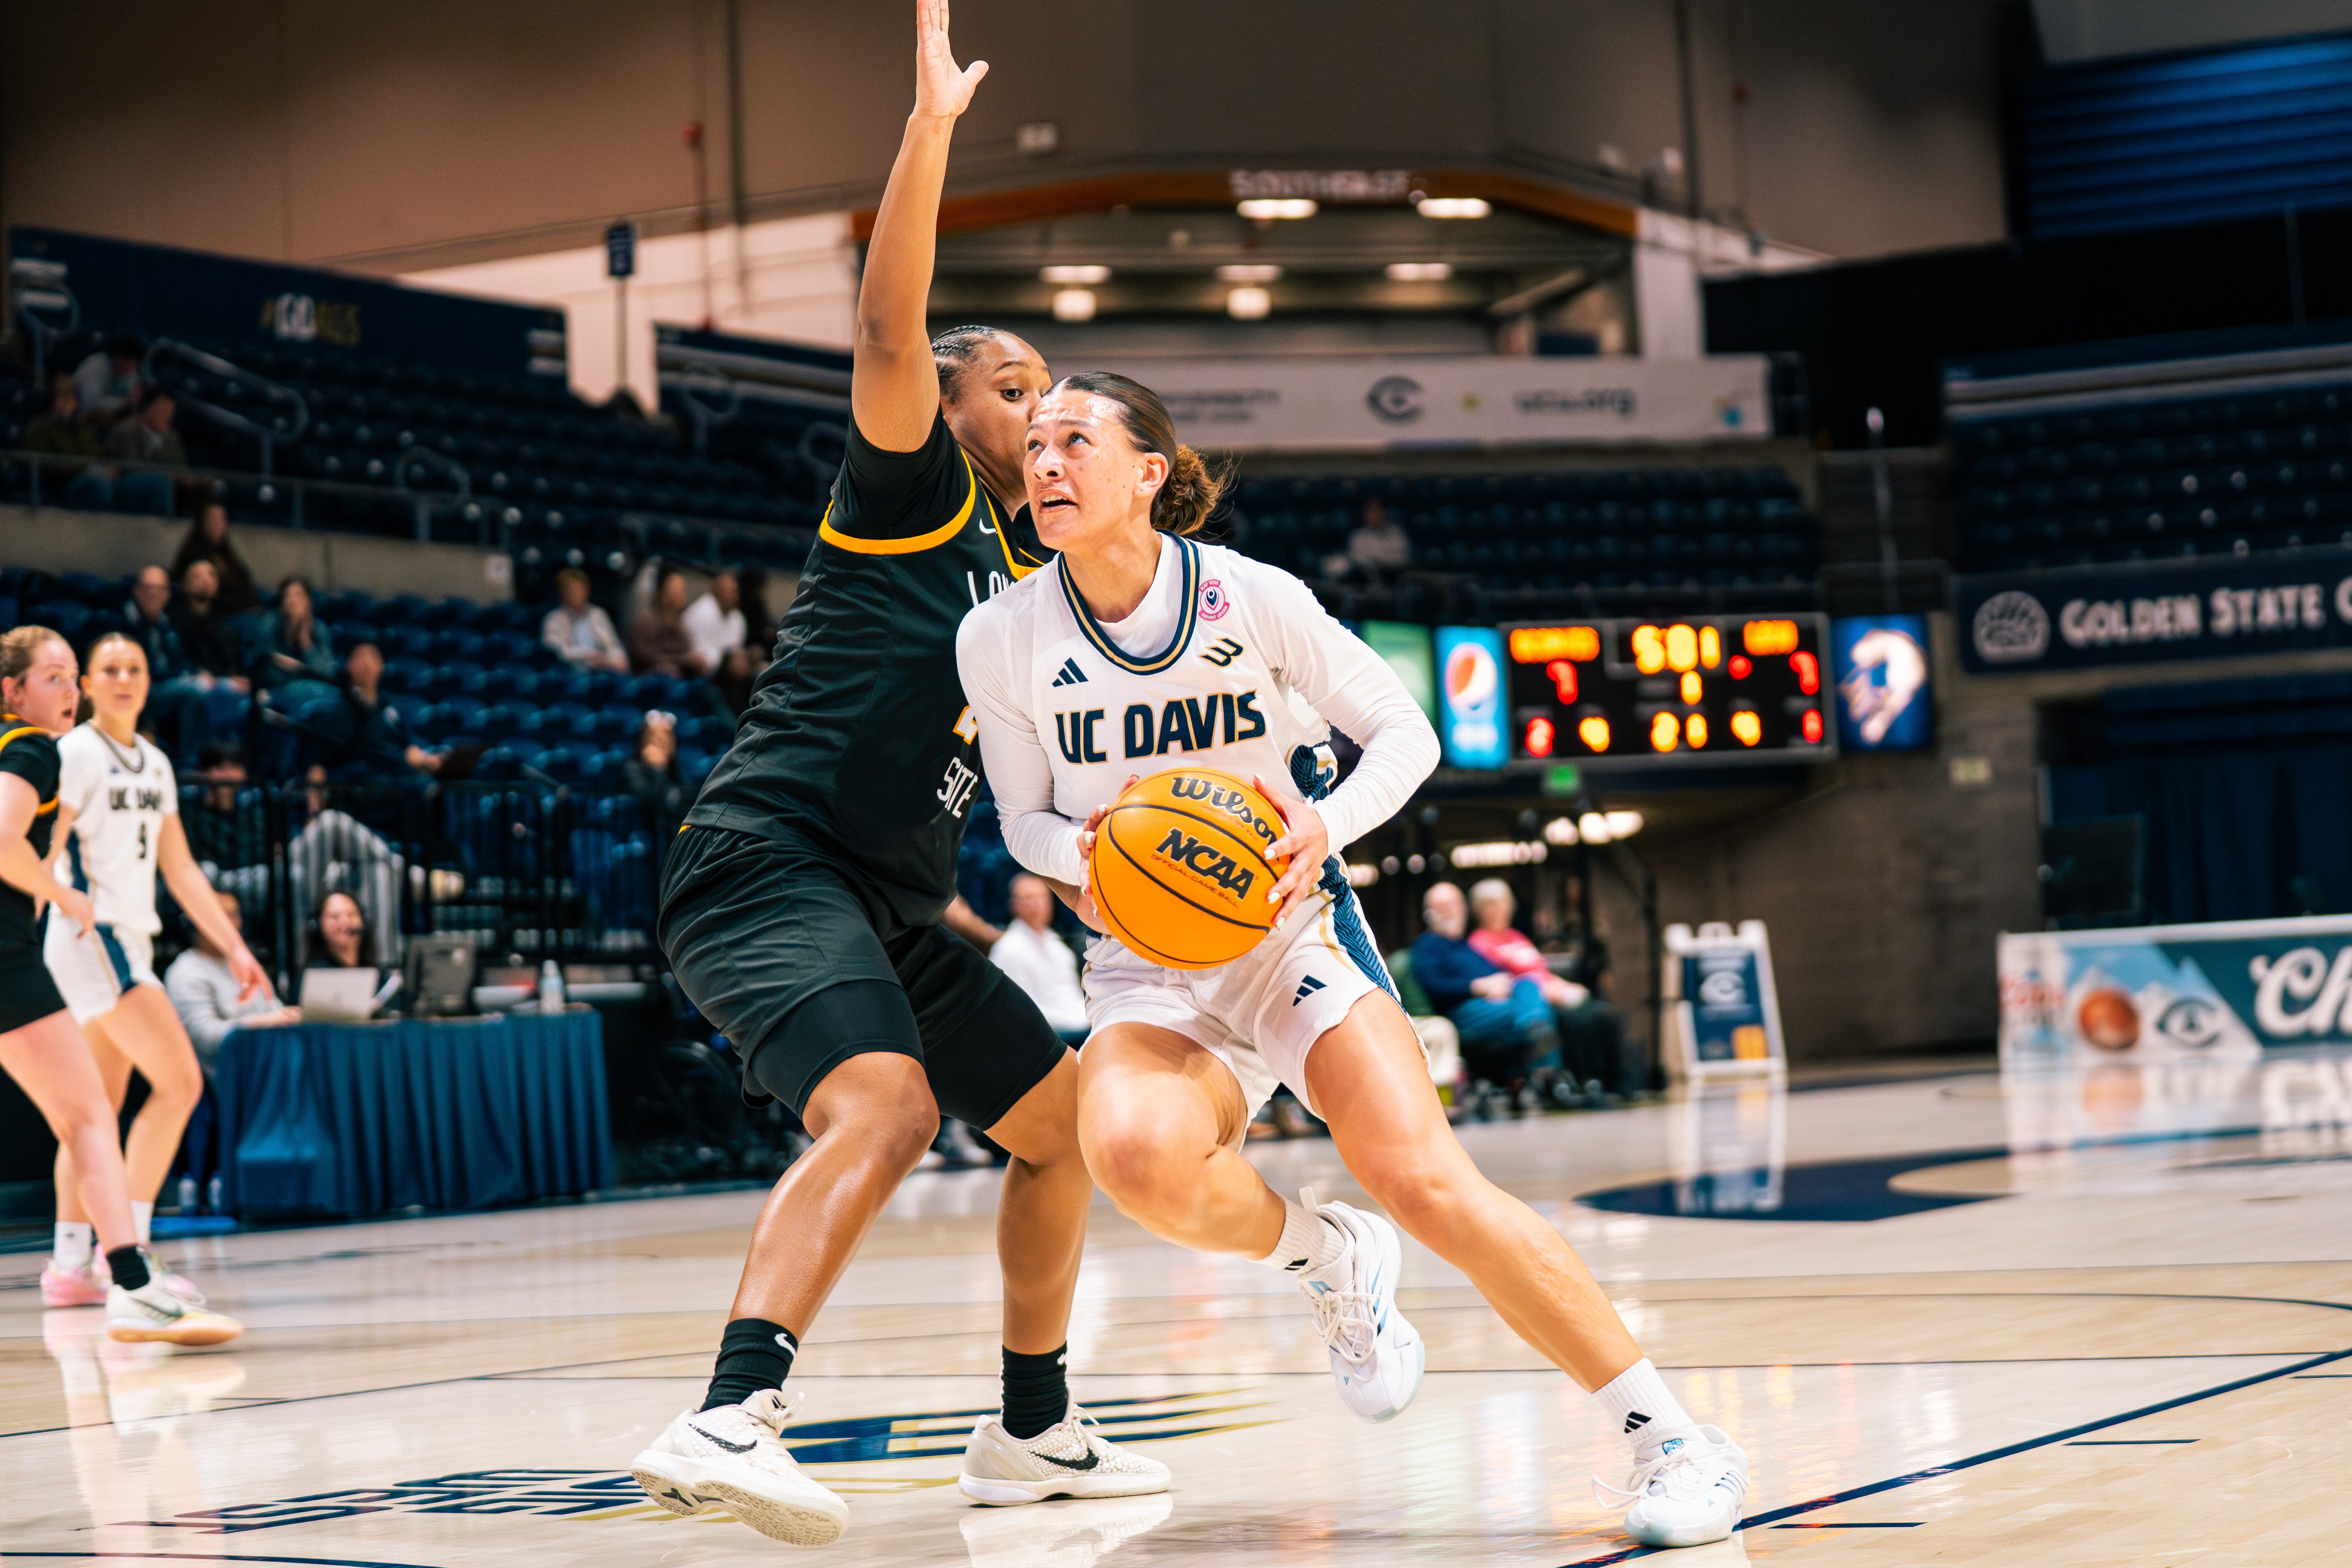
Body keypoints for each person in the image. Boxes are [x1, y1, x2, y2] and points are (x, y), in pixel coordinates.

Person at [957, 369, 1750, 1551]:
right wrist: (1093, 849)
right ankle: (1325, 1254)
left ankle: (1675, 1441)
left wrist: (1321, 827)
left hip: (1290, 932)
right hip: (1144, 957)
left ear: (1148, 473)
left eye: (1075, 440)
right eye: (1034, 447)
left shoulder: (1249, 595)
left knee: (1420, 1178)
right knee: (1130, 1156)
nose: (1045, 463)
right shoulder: (999, 633)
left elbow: (1404, 733)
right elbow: (1020, 820)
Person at [631, 4, 1166, 1543]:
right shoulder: (911, 495)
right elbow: (886, 333)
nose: (1043, 412)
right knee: (886, 1107)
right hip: (767, 864)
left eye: (1055, 395)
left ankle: (1032, 1427)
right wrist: (929, 134)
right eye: (1016, 386)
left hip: (889, 904)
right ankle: (729, 1413)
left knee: (1061, 1125)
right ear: (944, 406)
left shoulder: (1035, 585)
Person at [0, 626, 241, 1346]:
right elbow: (23, 845)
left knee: (90, 1112)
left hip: (98, 941)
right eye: (78, 674)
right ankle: (129, 1272)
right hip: (83, 941)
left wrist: (234, 946)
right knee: (164, 1089)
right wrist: (58, 897)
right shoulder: (56, 749)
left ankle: (76, 1262)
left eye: (133, 667)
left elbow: (181, 868)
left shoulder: (152, 762)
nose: (117, 680)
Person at [1411, 881, 1559, 1106]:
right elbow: (1435, 986)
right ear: (1429, 913)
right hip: (1462, 1011)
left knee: (1528, 985)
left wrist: (1502, 986)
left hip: (1494, 1005)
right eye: (1443, 907)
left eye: (1456, 905)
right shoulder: (1428, 945)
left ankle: (1535, 1032)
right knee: (1531, 1014)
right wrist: (1477, 987)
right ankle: (1551, 1077)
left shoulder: (1466, 946)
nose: (1452, 912)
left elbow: (1498, 973)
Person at [164, 889, 300, 1069]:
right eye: (219, 915)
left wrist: (290, 1017)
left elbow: (274, 1010)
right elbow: (205, 1039)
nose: (229, 924)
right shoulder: (185, 971)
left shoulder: (246, 964)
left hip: (271, 1065)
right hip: (229, 1076)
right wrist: (263, 1022)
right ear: (196, 919)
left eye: (234, 915)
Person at [989, 873, 1088, 1045]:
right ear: (1014, 905)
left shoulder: (1057, 945)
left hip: (1079, 1021)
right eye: (1029, 899)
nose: (1037, 905)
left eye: (1042, 898)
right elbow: (1016, 1011)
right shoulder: (1008, 949)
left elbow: (1073, 995)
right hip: (1049, 1034)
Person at [22, 375, 113, 509]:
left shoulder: (78, 426)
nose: (66, 402)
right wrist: (85, 468)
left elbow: (93, 452)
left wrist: (105, 466)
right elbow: (42, 462)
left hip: (81, 477)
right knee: (95, 484)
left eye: (70, 397)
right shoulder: (41, 425)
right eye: (61, 396)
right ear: (52, 399)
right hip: (58, 483)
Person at [250, 576, 339, 710]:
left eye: (298, 595)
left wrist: (305, 642)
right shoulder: (269, 625)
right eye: (287, 596)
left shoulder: (319, 628)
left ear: (309, 601)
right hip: (277, 691)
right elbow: (264, 670)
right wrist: (301, 671)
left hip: (312, 692)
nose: (292, 601)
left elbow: (327, 673)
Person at [101, 388, 182, 515]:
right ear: (148, 408)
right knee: (160, 483)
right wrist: (167, 472)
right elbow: (132, 466)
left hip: (166, 480)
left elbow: (180, 465)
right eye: (163, 410)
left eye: (170, 412)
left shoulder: (171, 436)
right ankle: (163, 524)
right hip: (125, 481)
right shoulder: (127, 429)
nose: (167, 416)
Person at [541, 568, 629, 673]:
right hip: (570, 674)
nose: (578, 594)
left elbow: (614, 647)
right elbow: (557, 651)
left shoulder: (598, 614)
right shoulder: (553, 619)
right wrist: (587, 655)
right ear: (562, 594)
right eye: (572, 591)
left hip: (602, 670)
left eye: (581, 590)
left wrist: (612, 661)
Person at [628, 567, 707, 678]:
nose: (683, 595)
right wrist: (682, 661)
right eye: (676, 590)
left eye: (683, 590)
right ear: (662, 593)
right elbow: (642, 657)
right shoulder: (646, 623)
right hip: (651, 680)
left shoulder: (681, 628)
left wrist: (695, 660)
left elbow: (687, 655)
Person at [622, 710, 686, 825]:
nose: (661, 742)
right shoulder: (633, 765)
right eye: (654, 737)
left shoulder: (675, 768)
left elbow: (686, 788)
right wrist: (657, 771)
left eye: (666, 736)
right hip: (641, 822)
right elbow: (641, 792)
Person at [682, 567, 748, 674]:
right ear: (716, 590)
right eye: (727, 591)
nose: (732, 596)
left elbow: (736, 650)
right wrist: (728, 660)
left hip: (727, 672)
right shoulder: (699, 613)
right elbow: (699, 656)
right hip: (698, 673)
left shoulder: (738, 618)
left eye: (734, 592)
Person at [72, 333, 145, 426]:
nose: (134, 369)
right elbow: (89, 403)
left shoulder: (126, 372)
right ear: (120, 358)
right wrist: (125, 402)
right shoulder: (97, 365)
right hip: (76, 419)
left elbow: (134, 391)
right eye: (133, 363)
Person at [308, 890, 369, 969]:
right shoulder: (315, 974)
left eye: (351, 915)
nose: (345, 922)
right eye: (335, 916)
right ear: (318, 926)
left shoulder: (377, 971)